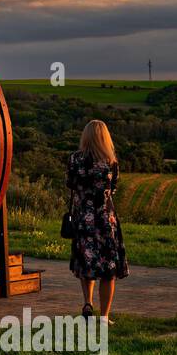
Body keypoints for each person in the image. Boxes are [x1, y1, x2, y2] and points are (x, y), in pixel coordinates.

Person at [66, 119, 129, 324]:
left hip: (83, 218)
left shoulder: (74, 160)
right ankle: (104, 317)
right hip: (105, 219)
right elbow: (114, 189)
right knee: (108, 267)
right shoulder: (111, 163)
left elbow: (71, 185)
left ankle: (87, 303)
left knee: (87, 262)